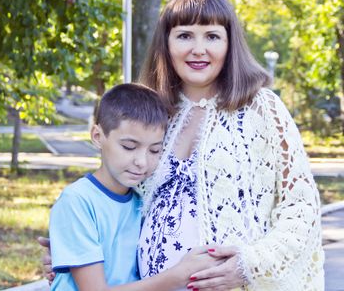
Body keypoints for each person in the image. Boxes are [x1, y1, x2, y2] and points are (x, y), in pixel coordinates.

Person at [42, 0, 324, 290]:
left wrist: (250, 266)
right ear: (166, 43)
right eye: (185, 35)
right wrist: (76, 252)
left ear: (230, 45)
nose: (198, 49)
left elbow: (302, 208)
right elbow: (123, 203)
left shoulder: (261, 108)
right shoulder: (155, 113)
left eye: (212, 36)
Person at [48, 83, 221, 291]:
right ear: (97, 136)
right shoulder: (77, 201)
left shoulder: (142, 201)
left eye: (155, 150)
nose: (142, 162)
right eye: (129, 147)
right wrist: (178, 276)